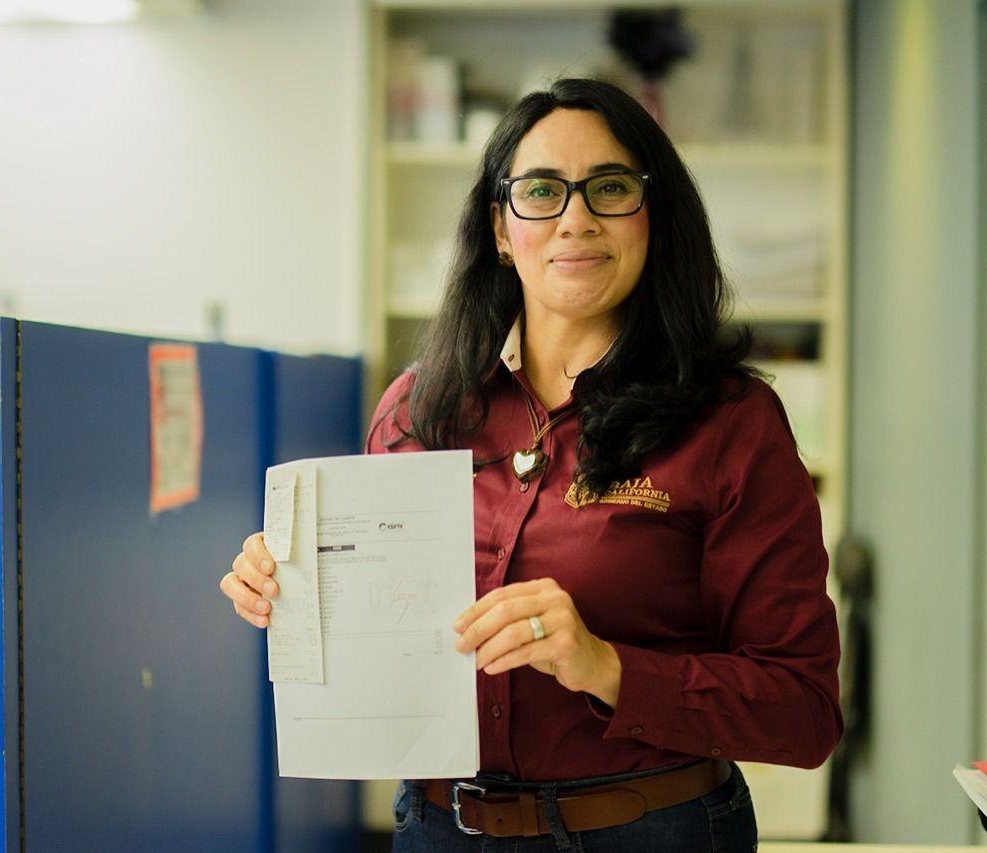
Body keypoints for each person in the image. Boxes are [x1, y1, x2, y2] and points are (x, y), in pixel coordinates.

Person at [220, 77, 842, 851]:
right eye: (542, 191)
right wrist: (292, 592)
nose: (575, 219)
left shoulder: (729, 421)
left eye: (610, 188)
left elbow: (803, 710)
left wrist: (606, 666)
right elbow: (376, 640)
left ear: (653, 218)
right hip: (440, 831)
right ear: (501, 228)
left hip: (650, 832)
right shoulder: (418, 409)